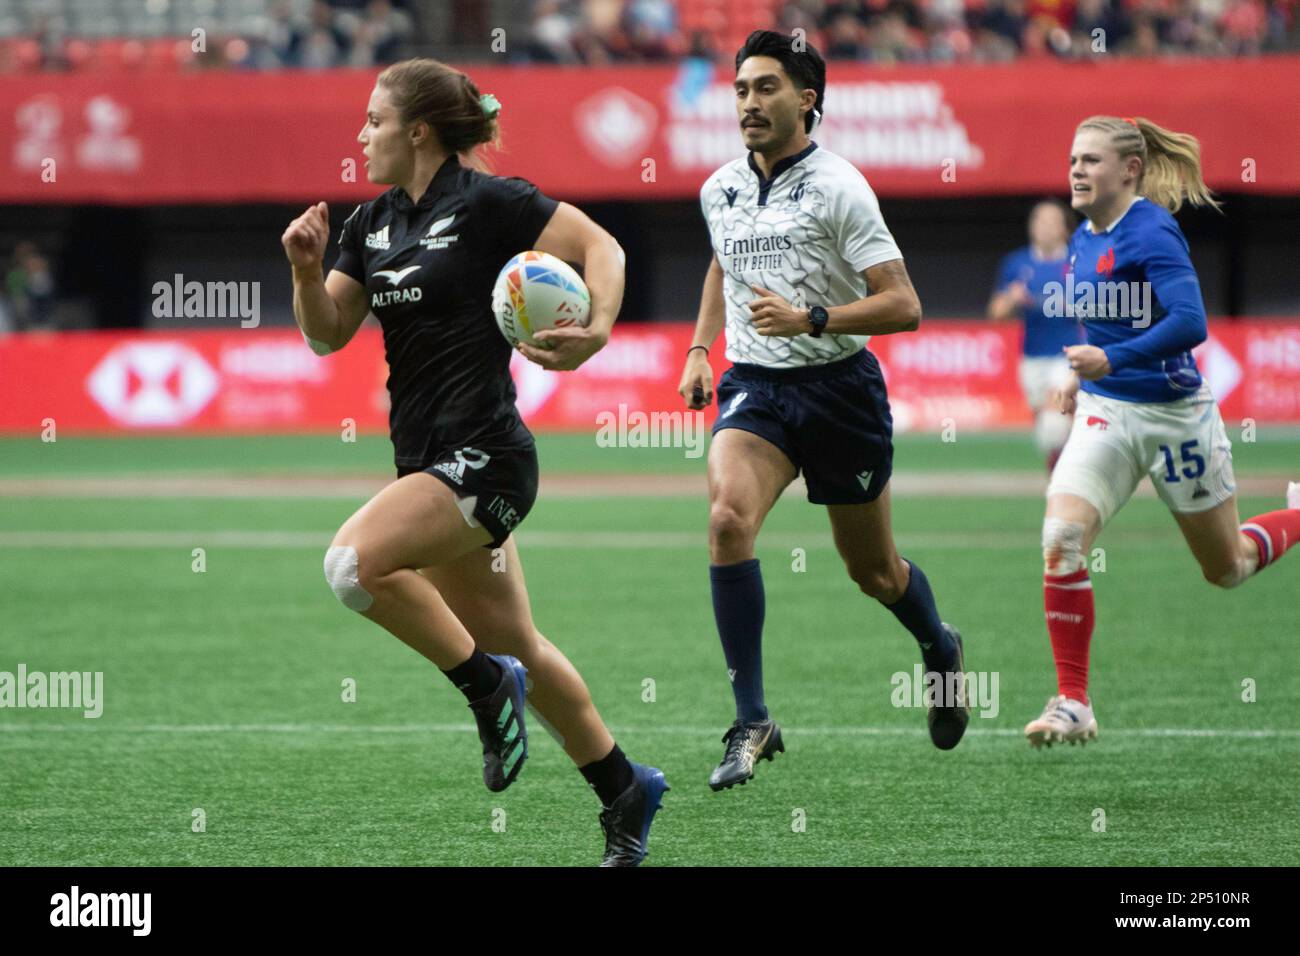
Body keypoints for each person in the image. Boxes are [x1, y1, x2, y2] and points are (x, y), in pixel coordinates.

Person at [281, 58, 667, 864]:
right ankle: (624, 787)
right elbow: (325, 333)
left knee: (352, 566)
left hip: (486, 458)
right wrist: (306, 270)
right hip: (425, 465)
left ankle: (485, 689)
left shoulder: (493, 204)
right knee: (519, 642)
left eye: (373, 120)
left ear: (416, 131)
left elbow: (603, 248)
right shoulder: (369, 222)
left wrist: (595, 331)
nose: (362, 133)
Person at [678, 30, 971, 793]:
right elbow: (721, 259)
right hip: (755, 389)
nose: (748, 102)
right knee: (725, 522)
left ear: (806, 100)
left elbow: (904, 306)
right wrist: (701, 349)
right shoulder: (719, 188)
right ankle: (752, 720)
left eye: (766, 87)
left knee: (873, 572)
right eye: (741, 89)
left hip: (840, 391)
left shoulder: (841, 186)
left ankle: (940, 650)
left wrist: (815, 318)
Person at [1025, 115, 1300, 747]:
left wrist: (1113, 359)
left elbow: (1191, 322)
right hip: (1106, 412)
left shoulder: (1154, 231)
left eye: (1091, 160)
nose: (1076, 169)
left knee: (1227, 567)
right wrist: (1081, 370)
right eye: (1073, 158)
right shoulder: (1083, 237)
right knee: (1063, 535)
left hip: (1176, 416)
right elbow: (1106, 321)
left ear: (1130, 169)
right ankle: (1073, 701)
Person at [987, 199, 1081, 472]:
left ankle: (1073, 473)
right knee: (1047, 431)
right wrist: (1012, 299)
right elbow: (996, 312)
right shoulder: (1016, 263)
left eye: (1052, 221)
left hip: (1069, 353)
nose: (1044, 227)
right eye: (1039, 220)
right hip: (1032, 356)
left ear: (1065, 229)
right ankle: (1061, 470)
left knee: (1055, 422)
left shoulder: (1080, 260)